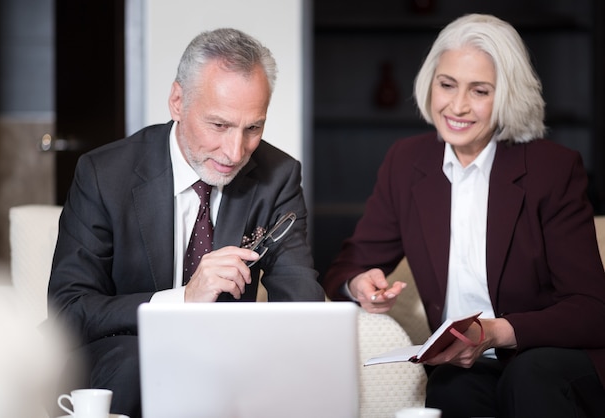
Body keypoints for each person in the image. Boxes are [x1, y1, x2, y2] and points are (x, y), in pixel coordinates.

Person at [321, 13, 605, 418]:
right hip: (465, 363)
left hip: (549, 356)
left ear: (506, 95)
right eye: (447, 84)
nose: (457, 106)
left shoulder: (552, 169)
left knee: (528, 374)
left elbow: (593, 309)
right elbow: (349, 265)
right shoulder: (407, 162)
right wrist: (359, 284)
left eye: (480, 91)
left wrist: (493, 333)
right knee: (450, 389)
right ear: (430, 84)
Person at [48, 28, 325, 418]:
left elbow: (300, 301)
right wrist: (183, 299)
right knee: (137, 363)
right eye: (219, 125)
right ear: (178, 101)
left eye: (253, 128)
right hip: (123, 353)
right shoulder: (103, 173)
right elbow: (69, 310)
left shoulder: (278, 175)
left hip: (227, 356)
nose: (235, 152)